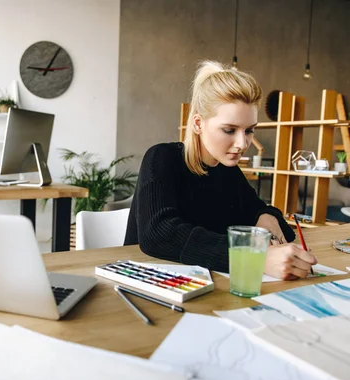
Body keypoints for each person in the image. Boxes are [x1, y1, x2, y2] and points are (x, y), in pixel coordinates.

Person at [124, 60, 317, 280]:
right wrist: (254, 258)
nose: (242, 144)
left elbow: (263, 216)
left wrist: (266, 216)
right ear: (198, 124)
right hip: (145, 283)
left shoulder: (227, 170)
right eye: (229, 130)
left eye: (249, 131)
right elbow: (158, 234)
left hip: (206, 288)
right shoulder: (161, 158)